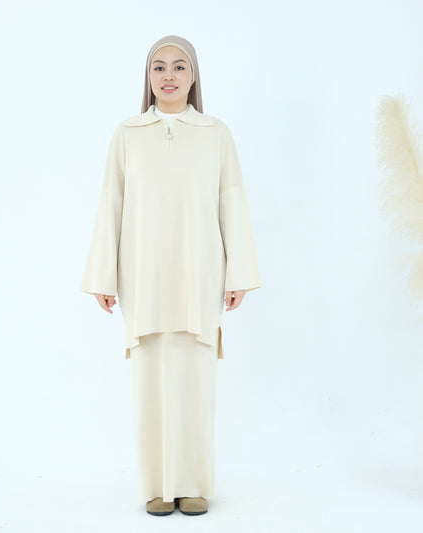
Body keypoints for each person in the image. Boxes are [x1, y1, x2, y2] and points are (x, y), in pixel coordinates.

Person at [80, 35, 261, 516]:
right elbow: (111, 202)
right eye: (158, 67)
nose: (168, 75)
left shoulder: (215, 133)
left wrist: (238, 272)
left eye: (179, 66)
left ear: (193, 75)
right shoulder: (128, 134)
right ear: (148, 76)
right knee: (149, 378)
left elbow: (231, 200)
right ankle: (157, 486)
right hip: (143, 273)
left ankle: (193, 483)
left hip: (200, 271)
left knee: (195, 379)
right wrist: (103, 276)